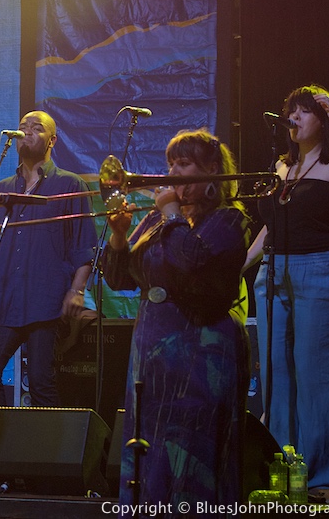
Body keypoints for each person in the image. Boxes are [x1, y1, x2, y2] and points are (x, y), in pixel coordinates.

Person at [243, 85, 329, 488]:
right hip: (275, 272)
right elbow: (273, 226)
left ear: (322, 121)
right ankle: (284, 469)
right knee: (276, 375)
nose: (295, 119)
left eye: (305, 112)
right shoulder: (281, 168)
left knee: (318, 374)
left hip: (322, 271)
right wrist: (244, 263)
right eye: (292, 111)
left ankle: (323, 473)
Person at [103, 129, 251, 512]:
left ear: (211, 172)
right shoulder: (156, 220)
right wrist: (119, 237)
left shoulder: (228, 221)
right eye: (170, 163)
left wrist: (170, 214)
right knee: (150, 453)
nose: (171, 173)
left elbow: (192, 261)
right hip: (152, 355)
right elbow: (119, 279)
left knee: (192, 451)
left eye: (183, 164)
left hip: (201, 356)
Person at [0, 110, 96, 407]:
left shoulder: (70, 186)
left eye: (36, 128)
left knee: (41, 381)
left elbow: (85, 246)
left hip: (47, 301)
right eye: (22, 127)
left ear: (52, 140)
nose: (26, 131)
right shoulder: (2, 190)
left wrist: (76, 290)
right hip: (4, 298)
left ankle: (49, 453)